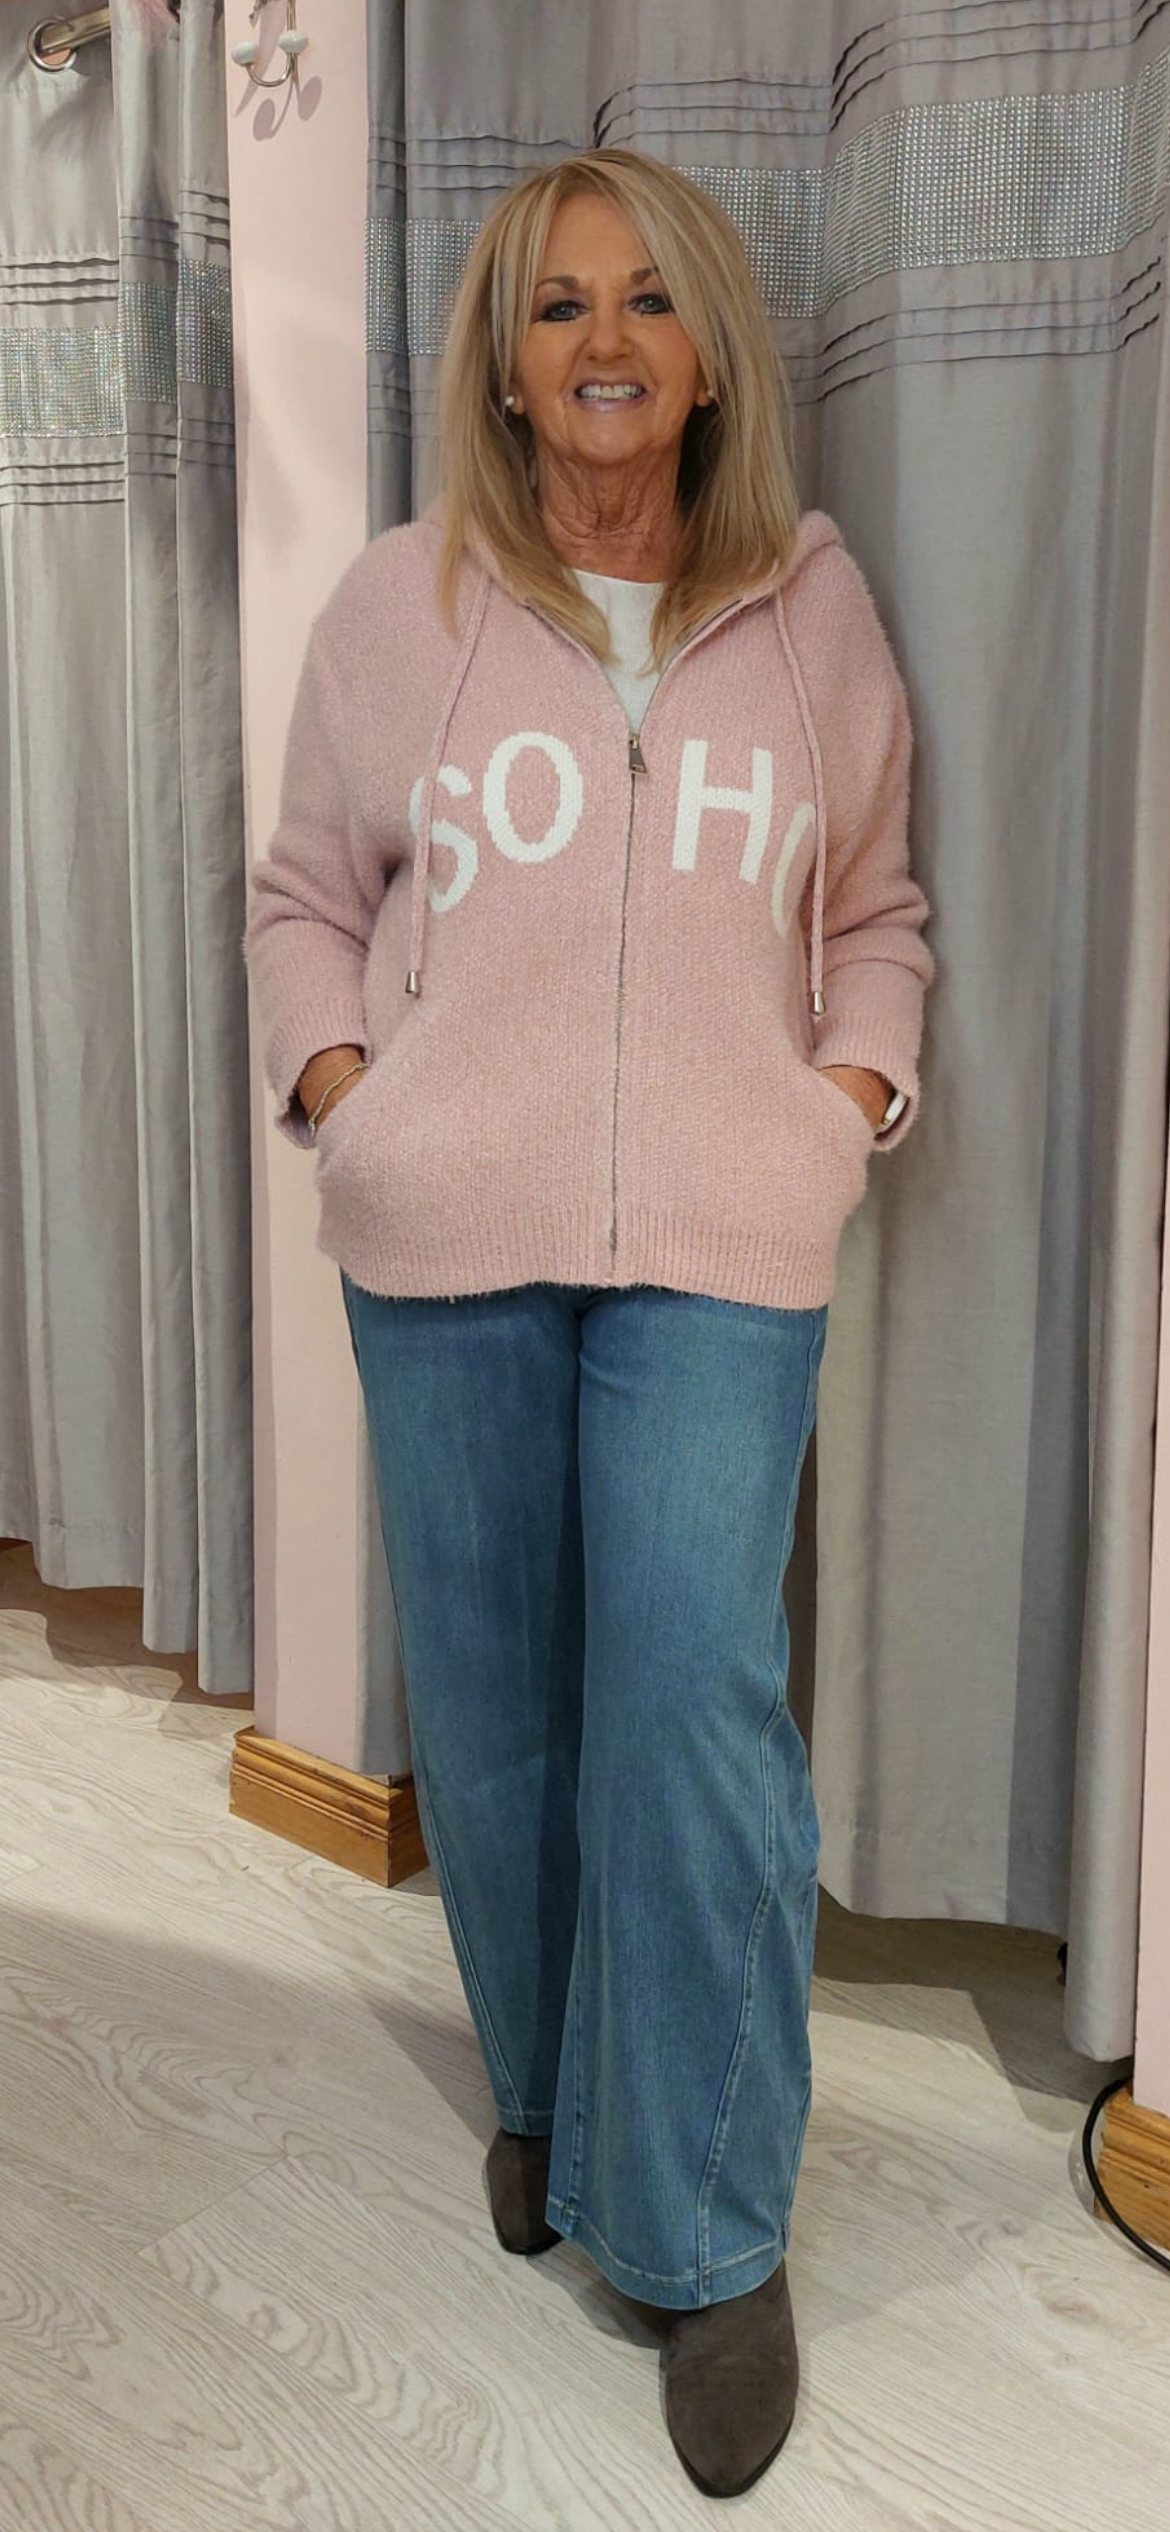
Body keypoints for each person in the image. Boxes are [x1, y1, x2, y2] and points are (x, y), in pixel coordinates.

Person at [243, 145, 935, 2502]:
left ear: (710, 349)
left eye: (647, 300)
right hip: (444, 1234)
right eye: (558, 307)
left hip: (725, 1241)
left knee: (690, 1701)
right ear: (509, 363)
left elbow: (879, 918)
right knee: (503, 1705)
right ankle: (546, 2103)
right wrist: (349, 1100)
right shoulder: (400, 606)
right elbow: (304, 898)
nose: (605, 340)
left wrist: (843, 1104)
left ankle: (712, 2237)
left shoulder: (809, 614)